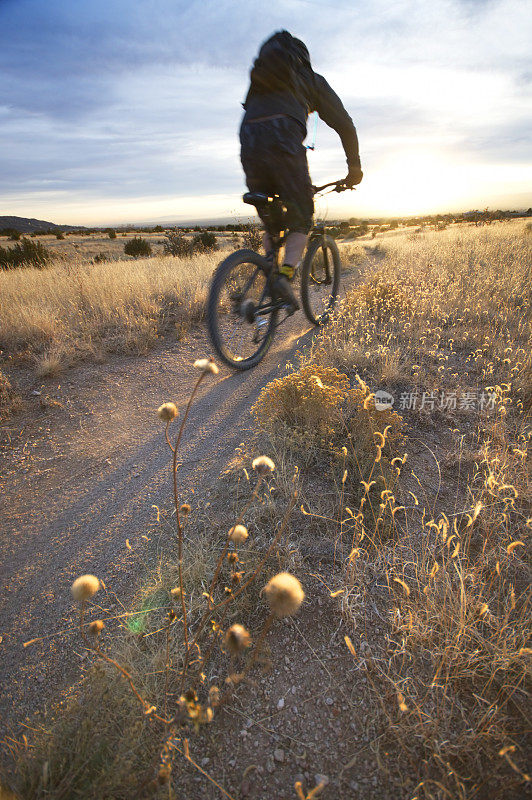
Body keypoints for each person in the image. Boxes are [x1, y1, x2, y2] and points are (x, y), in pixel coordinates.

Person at [239, 30, 363, 308]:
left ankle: (271, 272)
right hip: (283, 137)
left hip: (248, 139)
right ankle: (284, 275)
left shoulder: (260, 80)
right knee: (302, 216)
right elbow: (346, 125)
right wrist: (354, 168)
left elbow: (251, 110)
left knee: (272, 221)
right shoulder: (311, 79)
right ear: (303, 60)